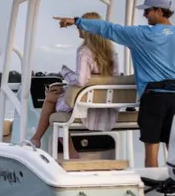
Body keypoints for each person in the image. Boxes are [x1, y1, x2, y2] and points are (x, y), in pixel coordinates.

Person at [55, 0, 175, 167]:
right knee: (172, 147)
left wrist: (77, 21)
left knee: (151, 149)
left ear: (159, 11)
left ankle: (151, 185)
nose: (144, 15)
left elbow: (108, 29)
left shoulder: (141, 34)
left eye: (148, 11)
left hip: (153, 97)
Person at [29, 12, 119, 157]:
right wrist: (65, 88)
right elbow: (108, 79)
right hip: (107, 106)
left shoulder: (84, 52)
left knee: (53, 102)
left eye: (81, 25)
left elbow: (81, 81)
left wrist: (64, 72)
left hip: (86, 105)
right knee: (55, 95)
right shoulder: (111, 53)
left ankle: (40, 140)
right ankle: (37, 139)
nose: (78, 27)